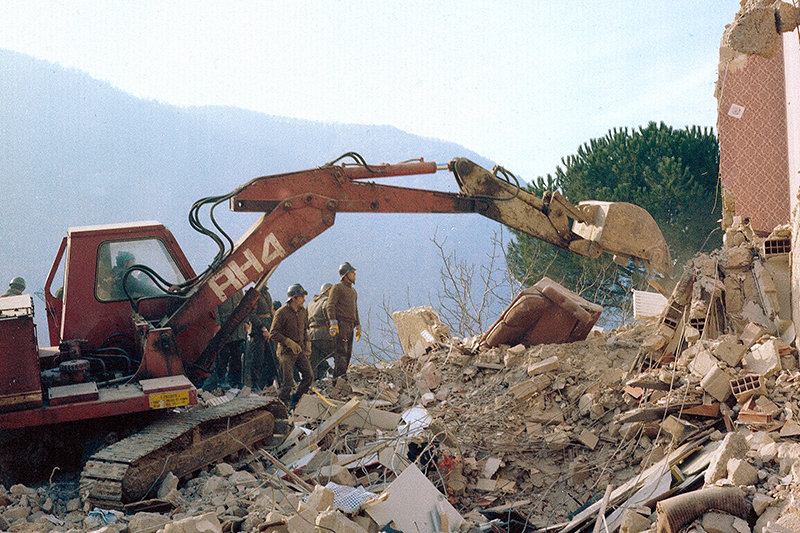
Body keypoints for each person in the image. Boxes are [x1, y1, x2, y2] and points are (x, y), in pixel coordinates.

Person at [269, 283, 312, 410]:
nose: (304, 299)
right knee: (287, 382)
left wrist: (307, 343)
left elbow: (304, 330)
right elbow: (273, 334)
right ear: (293, 298)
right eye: (301, 297)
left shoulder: (303, 311)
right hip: (285, 352)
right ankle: (281, 407)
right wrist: (288, 342)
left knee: (309, 376)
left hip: (299, 350)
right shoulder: (281, 313)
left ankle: (295, 401)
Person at [207, 289, 247, 390]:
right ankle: (221, 381)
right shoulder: (220, 288)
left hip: (237, 327)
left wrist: (245, 322)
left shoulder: (238, 290)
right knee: (222, 356)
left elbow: (243, 305)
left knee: (237, 357)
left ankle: (235, 382)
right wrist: (217, 323)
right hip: (225, 326)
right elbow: (214, 307)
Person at [327, 262, 361, 380]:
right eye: (352, 272)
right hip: (341, 324)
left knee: (347, 354)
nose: (354, 274)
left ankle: (341, 380)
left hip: (350, 325)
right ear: (345, 275)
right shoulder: (337, 287)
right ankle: (339, 381)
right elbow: (330, 305)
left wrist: (358, 326)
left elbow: (355, 309)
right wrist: (333, 323)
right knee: (341, 354)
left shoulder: (353, 292)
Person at [244, 286, 279, 392]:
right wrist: (262, 328)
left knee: (271, 360)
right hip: (258, 332)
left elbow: (270, 313)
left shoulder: (266, 294)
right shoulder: (254, 294)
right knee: (258, 359)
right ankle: (255, 385)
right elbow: (252, 315)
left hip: (268, 329)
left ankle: (266, 385)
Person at [307, 282, 334, 380]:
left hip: (311, 336)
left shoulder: (311, 303)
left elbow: (305, 320)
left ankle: (313, 384)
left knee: (314, 362)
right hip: (325, 336)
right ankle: (338, 377)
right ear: (328, 291)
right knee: (340, 353)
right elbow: (330, 316)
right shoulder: (327, 301)